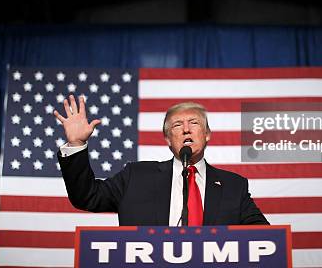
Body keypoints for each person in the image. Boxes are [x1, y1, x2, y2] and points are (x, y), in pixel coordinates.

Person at [54, 95, 269, 226]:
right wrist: (76, 144)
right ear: (167, 139)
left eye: (194, 122)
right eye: (177, 125)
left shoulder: (234, 186)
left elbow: (263, 240)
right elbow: (86, 197)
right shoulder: (135, 177)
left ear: (207, 134)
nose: (186, 128)